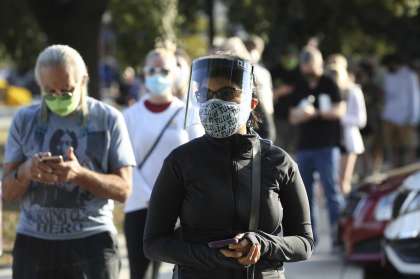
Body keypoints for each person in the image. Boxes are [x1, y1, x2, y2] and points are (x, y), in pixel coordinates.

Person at [144, 54, 313, 279]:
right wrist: (212, 255)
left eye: (226, 93)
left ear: (252, 103)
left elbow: (304, 242)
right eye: (205, 94)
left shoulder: (278, 162)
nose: (214, 102)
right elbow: (154, 243)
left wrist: (262, 244)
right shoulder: (181, 161)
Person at [1, 45, 136, 279]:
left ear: (83, 80)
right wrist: (26, 171)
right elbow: (7, 192)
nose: (57, 97)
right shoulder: (24, 120)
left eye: (66, 90)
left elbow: (124, 190)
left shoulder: (107, 119)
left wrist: (79, 174)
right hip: (33, 244)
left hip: (92, 242)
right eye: (49, 91)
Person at [123, 48, 203, 279]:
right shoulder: (130, 115)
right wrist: (152, 197)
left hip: (179, 209)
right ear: (144, 74)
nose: (158, 75)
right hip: (139, 205)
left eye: (165, 70)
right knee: (141, 272)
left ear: (176, 73)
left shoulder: (187, 114)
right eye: (152, 70)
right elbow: (125, 162)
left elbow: (197, 158)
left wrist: (174, 200)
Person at [288, 46, 345, 245]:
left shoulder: (329, 83)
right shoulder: (300, 85)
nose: (306, 67)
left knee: (332, 191)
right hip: (305, 147)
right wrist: (303, 115)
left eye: (309, 62)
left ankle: (339, 234)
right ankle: (310, 237)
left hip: (327, 146)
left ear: (318, 62)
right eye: (304, 63)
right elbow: (292, 116)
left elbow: (339, 110)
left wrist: (318, 113)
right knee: (305, 193)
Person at [326, 54, 367, 195]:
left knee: (344, 182)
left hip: (347, 142)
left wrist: (339, 117)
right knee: (329, 181)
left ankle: (343, 213)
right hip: (330, 140)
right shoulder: (327, 91)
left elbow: (361, 120)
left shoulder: (353, 90)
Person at [381, 53, 420, 167]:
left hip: (405, 119)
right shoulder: (388, 75)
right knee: (392, 149)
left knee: (407, 149)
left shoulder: (410, 76)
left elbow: (414, 98)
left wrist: (413, 118)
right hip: (389, 117)